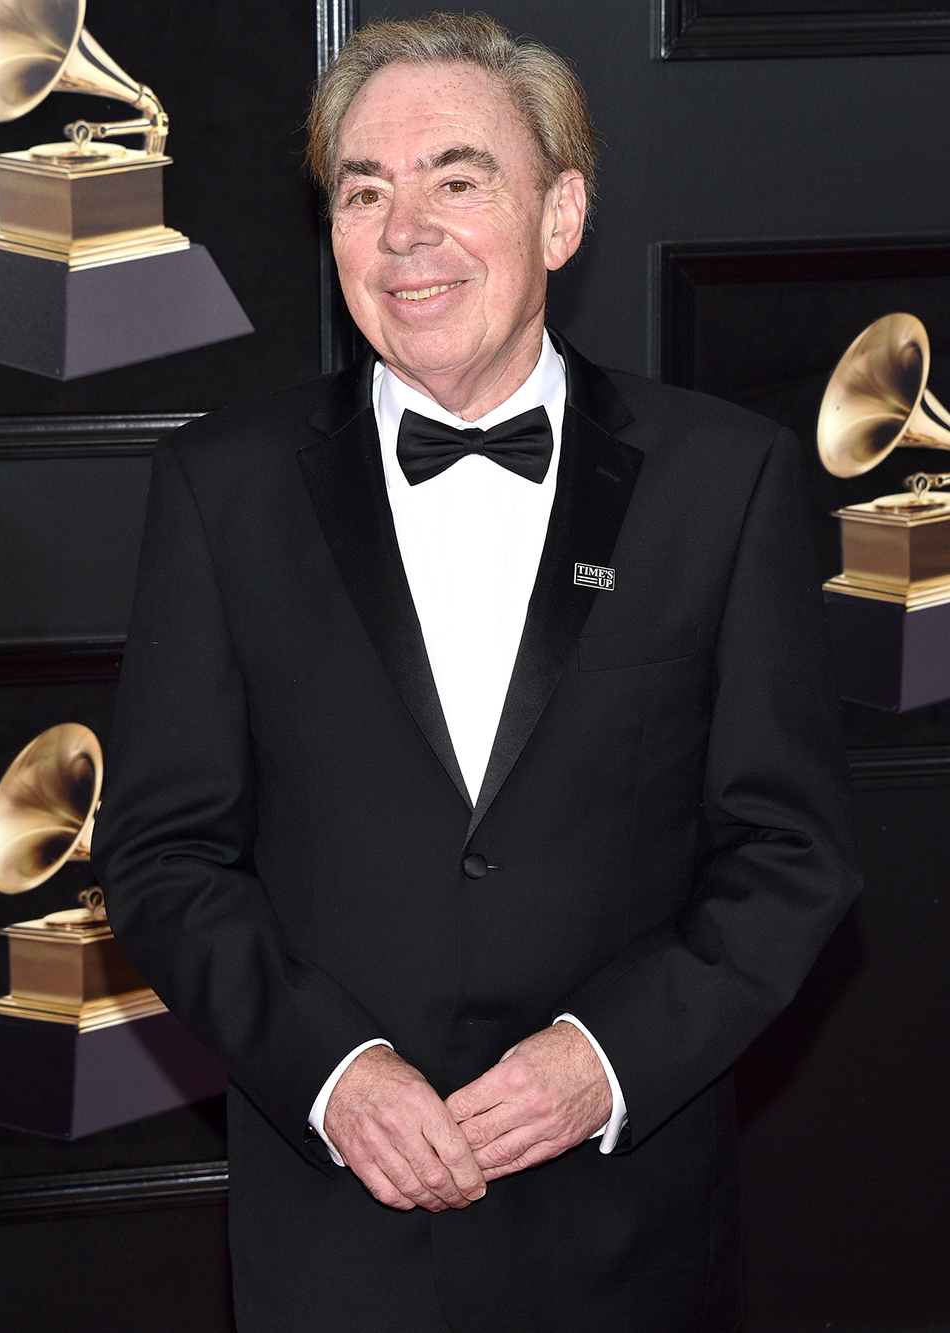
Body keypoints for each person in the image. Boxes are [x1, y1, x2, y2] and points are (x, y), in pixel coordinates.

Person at [93, 13, 861, 1332]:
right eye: (365, 190)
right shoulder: (219, 490)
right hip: (335, 1243)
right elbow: (163, 854)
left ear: (560, 215)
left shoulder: (723, 481)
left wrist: (604, 1061)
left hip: (631, 1239)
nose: (406, 232)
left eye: (459, 179)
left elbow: (793, 851)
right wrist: (333, 1073)